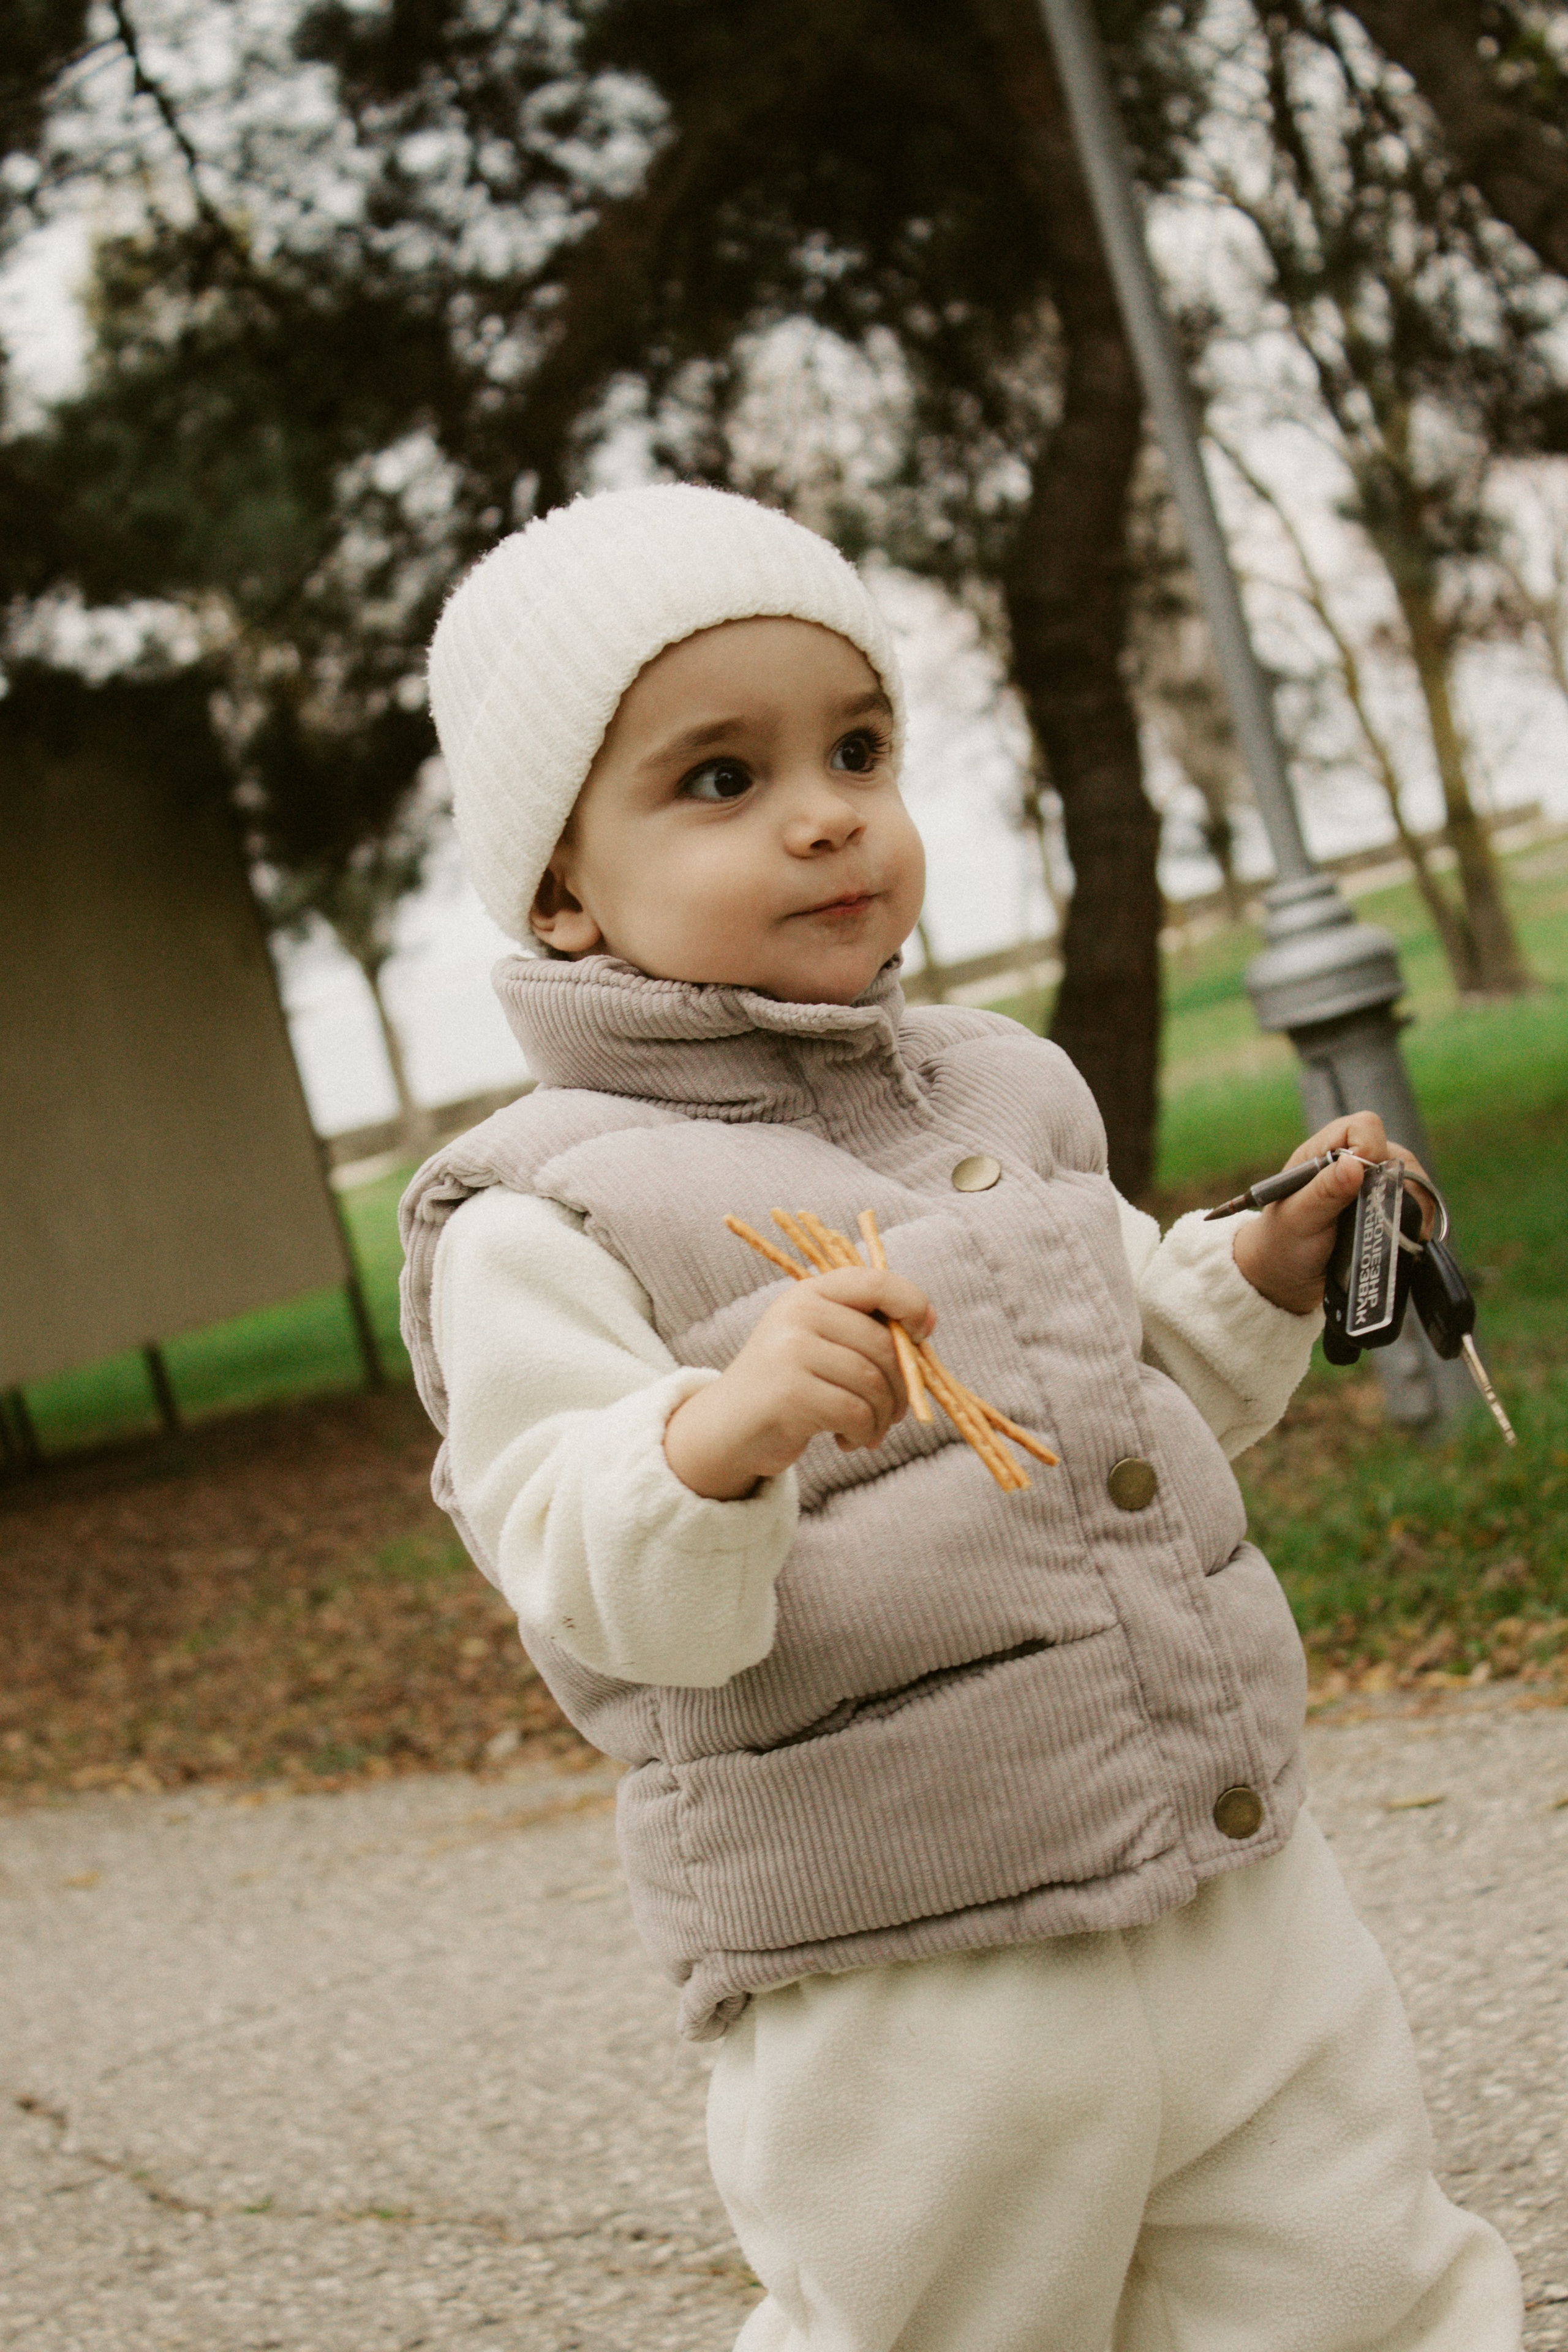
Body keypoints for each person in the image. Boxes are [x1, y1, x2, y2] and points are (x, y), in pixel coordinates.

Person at [399, 483, 1521, 2352]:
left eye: (856, 747)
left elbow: (1114, 1415)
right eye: (720, 779)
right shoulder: (540, 1213)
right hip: (916, 1966)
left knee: (1365, 2287)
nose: (827, 811)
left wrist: (1252, 1275)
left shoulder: (1003, 1088)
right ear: (561, 886)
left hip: (1229, 1883)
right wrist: (713, 1444)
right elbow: (579, 1563)